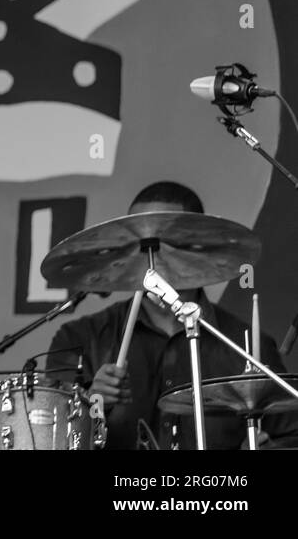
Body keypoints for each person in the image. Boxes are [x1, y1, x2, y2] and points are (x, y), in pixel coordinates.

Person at [46, 181, 298, 449]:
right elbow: (47, 438)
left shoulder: (246, 345)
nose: (149, 255)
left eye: (160, 242)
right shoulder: (81, 339)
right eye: (139, 243)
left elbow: (291, 437)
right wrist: (91, 405)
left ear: (197, 247)